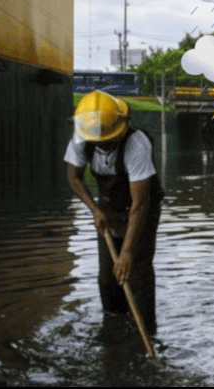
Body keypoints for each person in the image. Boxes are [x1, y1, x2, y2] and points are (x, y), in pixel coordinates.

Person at [65, 90, 164, 333]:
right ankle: (114, 327)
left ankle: (145, 329)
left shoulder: (136, 144)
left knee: (136, 272)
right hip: (107, 208)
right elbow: (74, 177)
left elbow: (140, 203)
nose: (102, 143)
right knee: (108, 276)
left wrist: (127, 251)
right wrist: (94, 209)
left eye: (107, 138)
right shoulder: (83, 135)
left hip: (142, 208)